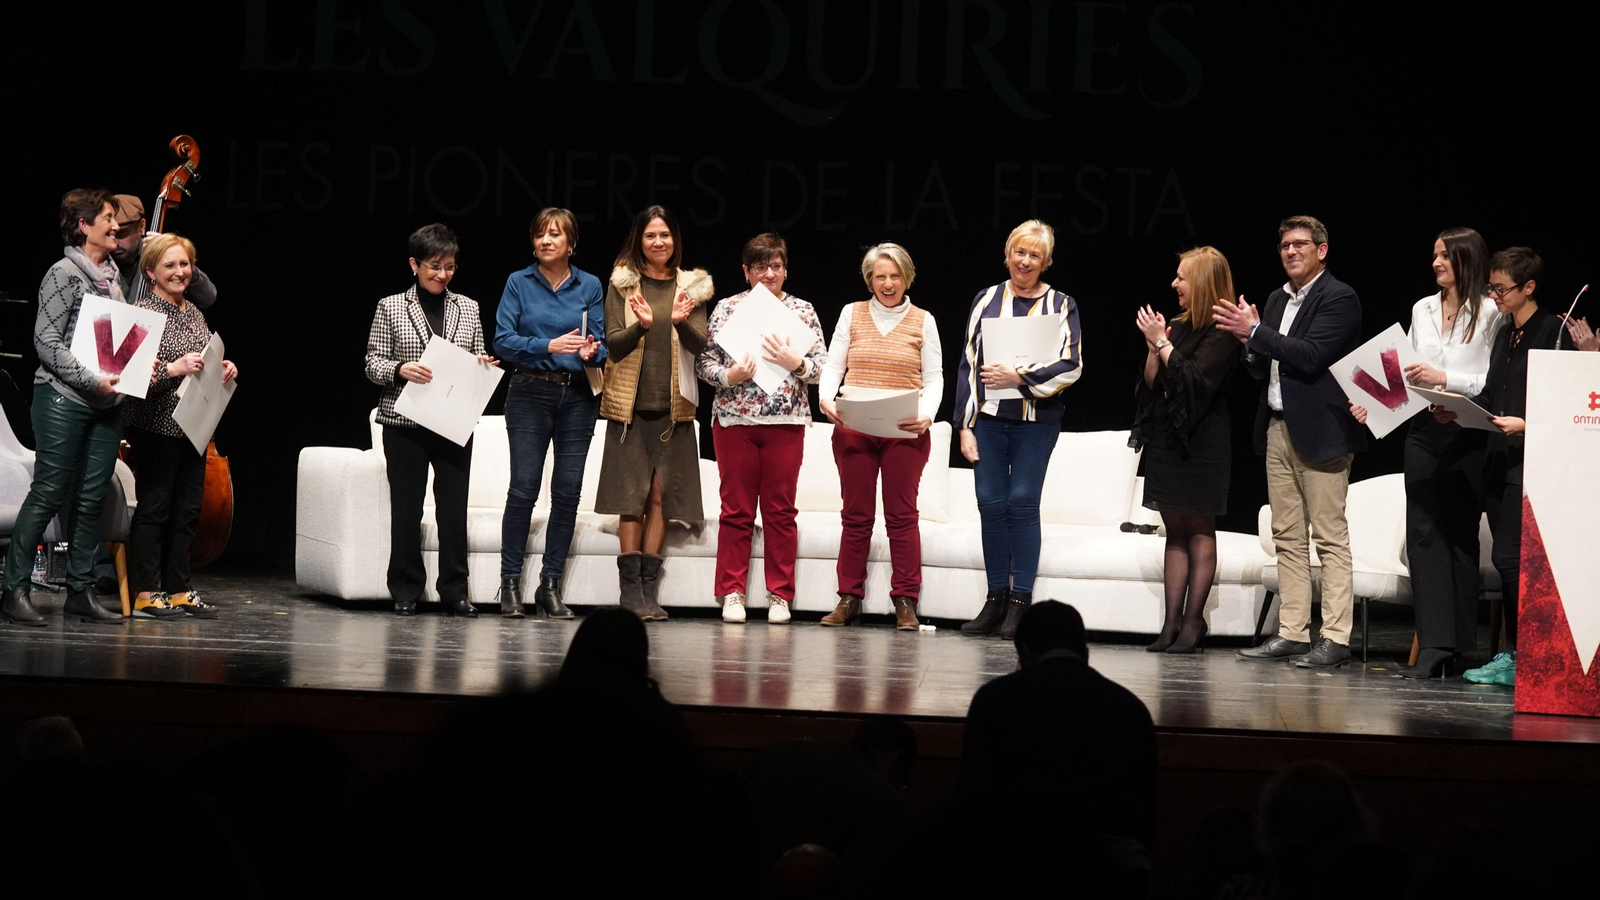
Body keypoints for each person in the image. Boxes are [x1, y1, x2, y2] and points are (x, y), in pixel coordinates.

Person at [1215, 216, 1365, 669]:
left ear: (1322, 250)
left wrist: (1256, 332)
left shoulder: (1339, 297)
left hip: (1323, 431)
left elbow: (1312, 356)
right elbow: (1264, 364)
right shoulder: (1278, 299)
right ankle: (1293, 631)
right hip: (1278, 427)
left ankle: (1335, 637)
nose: (1291, 251)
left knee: (1329, 536)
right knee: (1287, 535)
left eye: (1300, 244)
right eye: (1284, 245)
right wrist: (1249, 342)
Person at [1350, 228, 1501, 678]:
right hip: (1424, 430)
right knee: (1422, 533)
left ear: (1467, 259)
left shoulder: (1491, 312)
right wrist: (1374, 401)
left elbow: (1492, 381)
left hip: (1468, 432)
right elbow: (1407, 372)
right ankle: (1434, 644)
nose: (1436, 263)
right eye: (1434, 255)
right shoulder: (1423, 308)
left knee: (1459, 536)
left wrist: (1445, 379)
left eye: (1445, 256)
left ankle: (1460, 645)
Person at [957, 601, 1157, 891]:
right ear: (1085, 653)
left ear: (1023, 652)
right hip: (1110, 876)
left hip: (1015, 868)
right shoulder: (1129, 708)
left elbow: (971, 798)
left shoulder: (994, 700)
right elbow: (1145, 813)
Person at [1, 189, 130, 627]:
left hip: (108, 404)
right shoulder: (63, 274)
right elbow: (46, 342)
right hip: (63, 400)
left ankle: (80, 591)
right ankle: (14, 589)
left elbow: (118, 341)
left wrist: (133, 369)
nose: (116, 226)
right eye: (108, 218)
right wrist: (92, 379)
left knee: (91, 498)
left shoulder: (113, 278)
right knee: (49, 492)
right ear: (83, 225)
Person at [1441, 247, 1568, 687]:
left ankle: (1524, 655)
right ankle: (1516, 654)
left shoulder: (1553, 332)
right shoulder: (1504, 334)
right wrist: (1456, 409)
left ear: (1528, 287)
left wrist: (1527, 424)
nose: (1493, 296)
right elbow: (1493, 393)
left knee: (1512, 559)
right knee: (1509, 559)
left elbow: (1570, 403)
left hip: (1533, 463)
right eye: (1491, 287)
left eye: (1501, 288)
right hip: (1499, 459)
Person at [954, 220, 1082, 639]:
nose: (1025, 262)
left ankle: (1020, 602)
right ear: (1008, 254)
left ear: (1046, 262)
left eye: (1034, 255)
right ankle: (995, 599)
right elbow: (969, 364)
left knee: (1022, 502)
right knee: (991, 504)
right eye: (1019, 252)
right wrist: (964, 425)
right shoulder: (986, 298)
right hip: (989, 421)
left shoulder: (1061, 304)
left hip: (1036, 422)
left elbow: (1071, 364)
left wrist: (1019, 377)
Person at [363, 223, 492, 617]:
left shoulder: (468, 307)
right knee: (407, 509)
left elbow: (478, 352)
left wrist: (481, 364)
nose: (442, 274)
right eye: (435, 266)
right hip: (405, 423)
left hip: (453, 421)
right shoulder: (391, 306)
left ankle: (455, 590)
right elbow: (372, 363)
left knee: (453, 510)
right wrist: (400, 369)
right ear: (414, 264)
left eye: (449, 267)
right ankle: (405, 589)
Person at [696, 233, 826, 625]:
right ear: (746, 271)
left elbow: (823, 367)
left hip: (786, 422)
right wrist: (730, 375)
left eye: (776, 266)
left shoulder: (802, 310)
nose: (769, 273)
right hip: (734, 421)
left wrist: (796, 363)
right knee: (736, 510)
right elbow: (704, 363)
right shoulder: (728, 308)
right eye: (760, 267)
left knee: (780, 512)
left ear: (786, 269)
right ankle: (732, 592)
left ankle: (779, 595)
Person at [818, 243, 943, 630]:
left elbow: (934, 377)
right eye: (879, 276)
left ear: (907, 278)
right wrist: (826, 398)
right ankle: (848, 597)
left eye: (895, 276)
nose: (888, 283)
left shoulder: (923, 320)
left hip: (903, 428)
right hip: (855, 426)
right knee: (855, 515)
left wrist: (927, 415)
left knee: (901, 516)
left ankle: (905, 599)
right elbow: (833, 364)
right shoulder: (851, 313)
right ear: (869, 279)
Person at [595, 205, 711, 621]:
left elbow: (701, 345)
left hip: (673, 406)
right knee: (632, 497)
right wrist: (641, 326)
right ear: (639, 240)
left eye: (665, 235)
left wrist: (679, 322)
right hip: (630, 405)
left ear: (674, 239)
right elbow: (613, 343)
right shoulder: (623, 283)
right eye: (650, 235)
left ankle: (647, 588)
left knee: (661, 497)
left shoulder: (691, 286)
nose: (658, 242)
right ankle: (630, 592)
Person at [493, 208, 606, 619]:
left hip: (577, 396)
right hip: (529, 392)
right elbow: (503, 341)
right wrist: (547, 346)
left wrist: (593, 351)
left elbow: (601, 342)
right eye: (540, 234)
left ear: (570, 244)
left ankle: (550, 585)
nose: (545, 241)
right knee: (523, 488)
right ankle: (509, 584)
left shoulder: (589, 284)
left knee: (568, 492)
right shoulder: (518, 282)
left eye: (555, 235)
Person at [1129, 246, 1241, 653]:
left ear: (1204, 282)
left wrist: (1162, 342)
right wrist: (1152, 346)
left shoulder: (1224, 330)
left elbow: (1194, 380)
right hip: (1168, 439)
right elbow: (1153, 383)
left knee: (1199, 529)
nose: (1174, 283)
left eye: (1182, 277)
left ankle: (1194, 622)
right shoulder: (1176, 325)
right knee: (1173, 531)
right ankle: (1171, 622)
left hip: (1203, 442)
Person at [123, 234, 237, 619]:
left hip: (193, 427)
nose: (179, 272)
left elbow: (203, 361)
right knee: (155, 508)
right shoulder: (142, 313)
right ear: (150, 272)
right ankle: (145, 591)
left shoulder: (194, 312)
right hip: (155, 426)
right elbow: (130, 378)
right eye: (169, 265)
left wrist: (222, 368)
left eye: (184, 264)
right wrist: (174, 368)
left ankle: (178, 588)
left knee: (187, 511)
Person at [109, 194, 217, 309]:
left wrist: (175, 258)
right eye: (109, 234)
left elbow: (208, 298)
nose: (114, 242)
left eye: (121, 234)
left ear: (141, 227)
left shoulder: (161, 257)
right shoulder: (100, 262)